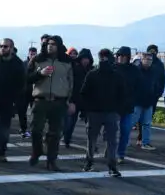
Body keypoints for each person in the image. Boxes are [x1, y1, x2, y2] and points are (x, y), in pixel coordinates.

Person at [26, 35, 74, 171]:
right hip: (40, 100)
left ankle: (51, 160)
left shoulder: (67, 61)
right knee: (35, 130)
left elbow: (72, 82)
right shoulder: (37, 59)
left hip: (59, 101)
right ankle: (37, 151)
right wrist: (40, 73)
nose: (50, 46)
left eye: (53, 44)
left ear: (59, 46)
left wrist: (71, 101)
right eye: (48, 44)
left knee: (55, 133)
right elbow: (27, 79)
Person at [78, 48, 125, 176]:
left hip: (102, 112)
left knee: (96, 140)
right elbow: (122, 95)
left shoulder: (94, 74)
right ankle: (108, 166)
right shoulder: (114, 75)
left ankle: (93, 163)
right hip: (104, 112)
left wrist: (87, 109)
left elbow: (83, 93)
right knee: (107, 141)